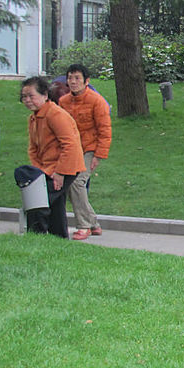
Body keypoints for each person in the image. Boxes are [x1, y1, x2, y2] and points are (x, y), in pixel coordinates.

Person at [19, 76, 85, 238]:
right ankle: (59, 238)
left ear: (45, 95)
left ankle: (36, 236)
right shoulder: (34, 118)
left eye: (31, 96)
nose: (27, 100)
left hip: (66, 167)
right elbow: (33, 148)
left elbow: (70, 145)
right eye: (24, 97)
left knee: (39, 202)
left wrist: (60, 173)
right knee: (56, 204)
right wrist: (40, 172)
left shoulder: (55, 114)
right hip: (47, 169)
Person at [59, 64, 112, 240]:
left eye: (77, 78)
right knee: (70, 184)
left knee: (76, 183)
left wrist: (98, 155)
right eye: (70, 78)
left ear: (86, 81)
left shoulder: (97, 101)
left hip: (90, 149)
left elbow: (105, 130)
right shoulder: (63, 101)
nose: (73, 82)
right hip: (71, 150)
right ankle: (94, 223)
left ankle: (83, 226)